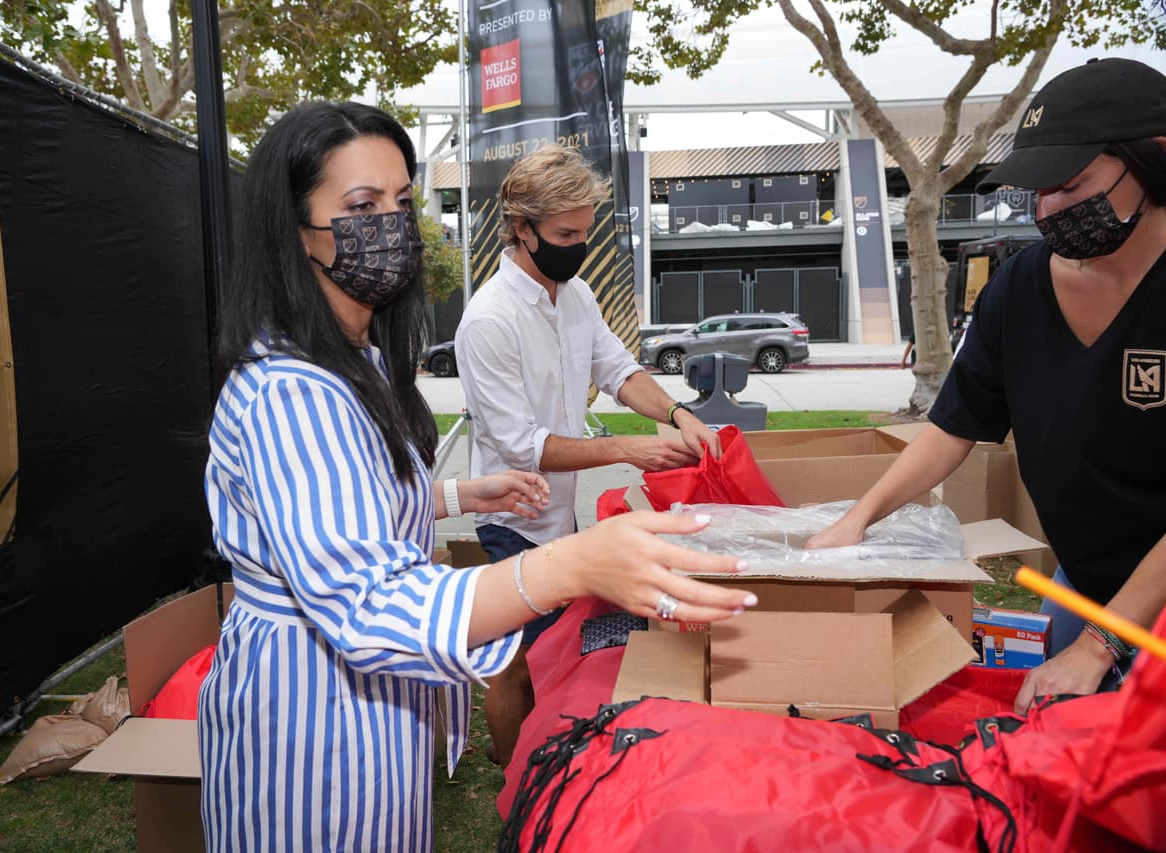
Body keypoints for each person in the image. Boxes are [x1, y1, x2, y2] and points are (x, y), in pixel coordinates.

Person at [198, 102, 757, 852]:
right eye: (361, 207)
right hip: (311, 720)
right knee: (515, 670)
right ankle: (516, 771)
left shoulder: (353, 359)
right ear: (295, 231)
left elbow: (341, 503)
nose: (392, 226)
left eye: (402, 203)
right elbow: (365, 599)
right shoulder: (295, 388)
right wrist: (573, 561)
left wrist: (457, 493)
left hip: (380, 714)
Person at [808, 58, 1166, 716]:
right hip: (1087, 584)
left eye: (1072, 184)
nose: (1049, 209)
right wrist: (856, 518)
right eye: (1037, 189)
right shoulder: (1018, 289)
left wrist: (1102, 643)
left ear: (1153, 160)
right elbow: (952, 427)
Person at [454, 144, 722, 766]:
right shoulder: (489, 321)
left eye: (585, 231)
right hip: (512, 518)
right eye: (565, 233)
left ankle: (542, 764)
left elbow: (620, 369)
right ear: (521, 228)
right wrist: (629, 448)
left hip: (560, 511)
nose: (578, 245)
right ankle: (512, 781)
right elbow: (523, 445)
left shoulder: (574, 295)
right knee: (519, 665)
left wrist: (680, 414)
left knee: (553, 652)